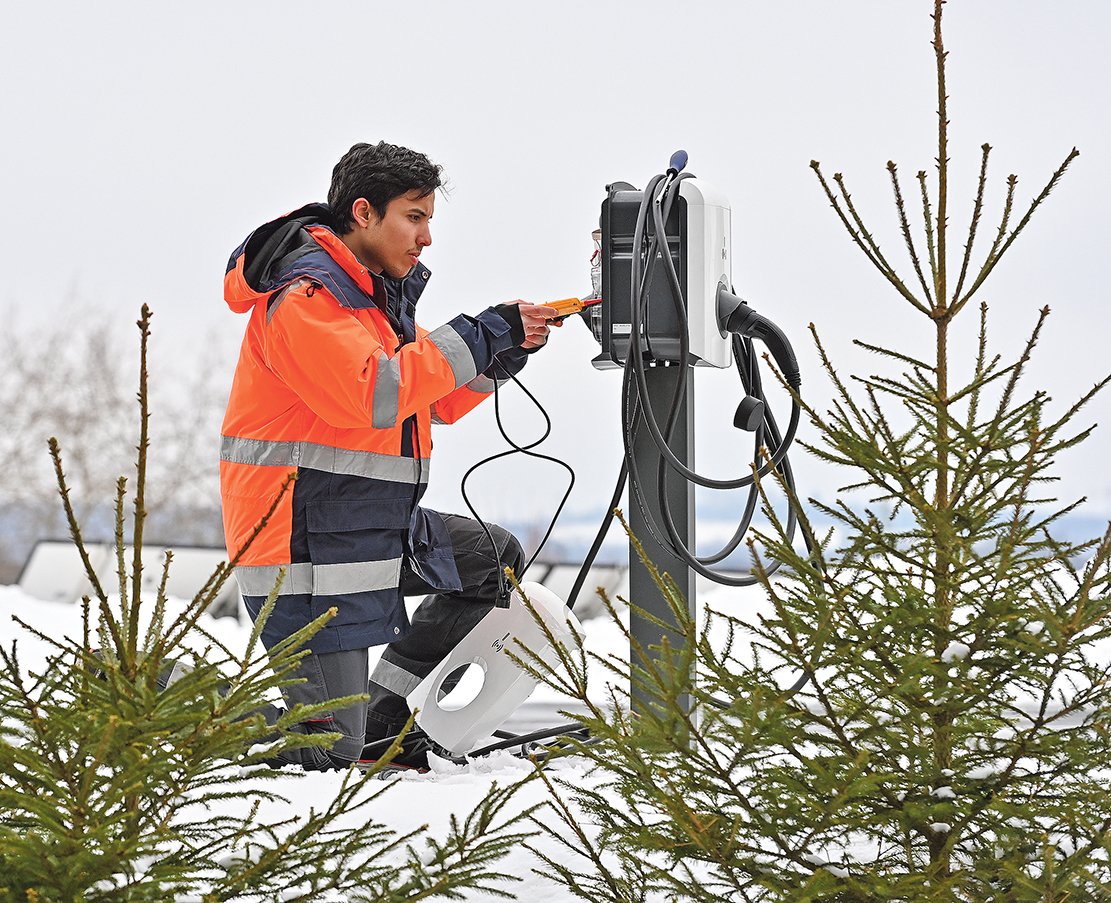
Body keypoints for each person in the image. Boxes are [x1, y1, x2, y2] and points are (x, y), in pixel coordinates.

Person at [219, 141, 557, 771]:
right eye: (415, 217)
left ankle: (385, 718)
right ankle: (155, 697)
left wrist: (501, 353)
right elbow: (377, 393)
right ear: (364, 213)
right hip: (302, 545)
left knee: (491, 561)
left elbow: (436, 400)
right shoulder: (306, 299)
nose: (427, 237)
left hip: (364, 525)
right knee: (326, 750)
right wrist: (482, 333)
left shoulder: (372, 304)